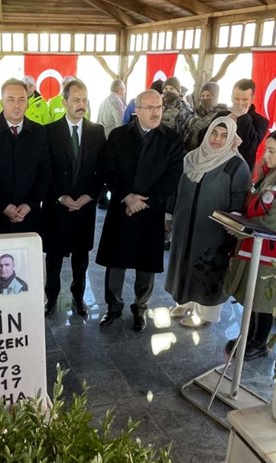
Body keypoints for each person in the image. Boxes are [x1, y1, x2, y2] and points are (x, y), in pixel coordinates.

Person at [97, 89, 185, 331]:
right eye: (150, 108)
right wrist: (126, 196)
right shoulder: (118, 136)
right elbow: (108, 169)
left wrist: (144, 201)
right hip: (121, 208)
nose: (156, 112)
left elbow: (173, 175)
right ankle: (113, 308)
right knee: (116, 262)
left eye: (159, 107)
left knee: (146, 265)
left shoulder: (171, 139)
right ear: (137, 110)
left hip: (150, 210)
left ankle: (140, 308)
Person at [222, 128, 276, 358]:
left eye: (272, 151)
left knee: (265, 299)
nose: (266, 156)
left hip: (272, 251)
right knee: (251, 295)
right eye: (266, 150)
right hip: (253, 245)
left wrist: (240, 227)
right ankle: (248, 335)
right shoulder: (268, 175)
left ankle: (259, 343)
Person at [165, 118, 253, 330]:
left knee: (209, 268)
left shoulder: (235, 165)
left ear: (231, 139)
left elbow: (240, 197)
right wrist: (168, 215)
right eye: (214, 133)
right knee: (183, 262)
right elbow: (174, 189)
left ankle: (205, 314)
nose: (217, 139)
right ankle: (183, 302)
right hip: (184, 225)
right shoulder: (190, 158)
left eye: (224, 136)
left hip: (214, 230)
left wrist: (232, 221)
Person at [43, 78, 104, 317]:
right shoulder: (49, 131)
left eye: (84, 99)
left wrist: (91, 195)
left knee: (81, 259)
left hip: (85, 208)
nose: (81, 104)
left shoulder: (96, 132)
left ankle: (78, 298)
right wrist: (59, 196)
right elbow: (45, 170)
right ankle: (51, 298)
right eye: (76, 100)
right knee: (54, 258)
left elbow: (102, 169)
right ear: (64, 101)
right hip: (57, 208)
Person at [0, 78, 51, 236]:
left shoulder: (39, 133)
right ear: (1, 102)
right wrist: (2, 205)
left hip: (29, 217)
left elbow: (45, 172)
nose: (17, 105)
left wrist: (30, 204)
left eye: (22, 99)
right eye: (11, 99)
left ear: (27, 102)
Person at [230, 79, 270, 169]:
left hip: (241, 169)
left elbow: (251, 145)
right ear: (231, 97)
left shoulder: (261, 122)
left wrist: (243, 117)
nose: (240, 103)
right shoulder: (221, 115)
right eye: (236, 99)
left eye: (245, 100)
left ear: (252, 99)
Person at [183, 82, 229, 151]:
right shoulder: (196, 112)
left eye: (208, 96)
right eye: (203, 96)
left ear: (216, 97)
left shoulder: (220, 116)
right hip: (188, 153)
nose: (205, 98)